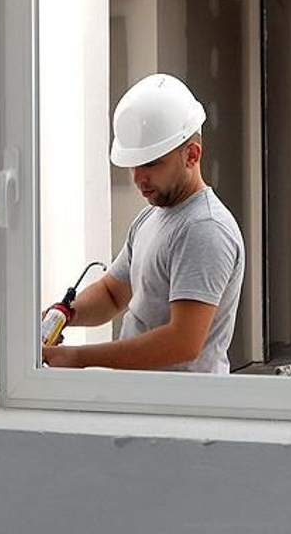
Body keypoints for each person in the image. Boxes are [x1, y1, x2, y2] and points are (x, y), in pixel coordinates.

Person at [42, 73, 244, 373]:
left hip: (182, 411)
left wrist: (79, 357)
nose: (138, 177)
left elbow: (183, 343)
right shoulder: (152, 216)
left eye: (151, 163)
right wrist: (64, 314)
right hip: (146, 402)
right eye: (134, 164)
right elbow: (112, 294)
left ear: (192, 155)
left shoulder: (205, 229)